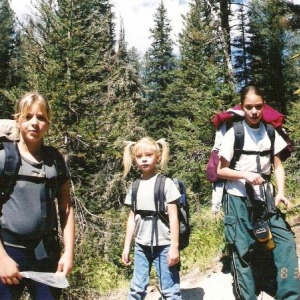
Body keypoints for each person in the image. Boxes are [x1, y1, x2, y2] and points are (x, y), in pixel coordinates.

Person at [217, 85, 300, 300]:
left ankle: (290, 294)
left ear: (264, 106)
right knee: (242, 249)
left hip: (265, 197)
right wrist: (245, 175)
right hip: (237, 198)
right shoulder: (234, 133)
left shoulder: (270, 132)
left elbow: (278, 166)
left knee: (285, 242)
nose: (254, 112)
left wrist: (280, 192)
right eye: (249, 107)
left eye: (258, 107)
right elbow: (221, 170)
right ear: (242, 107)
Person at [0, 92, 75, 299]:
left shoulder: (55, 160)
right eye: (28, 117)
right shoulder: (5, 158)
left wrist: (68, 253)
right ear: (18, 120)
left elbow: (66, 208)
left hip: (46, 253)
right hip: (9, 251)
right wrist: (1, 259)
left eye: (41, 117)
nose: (35, 123)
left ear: (48, 123)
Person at [121, 137, 182, 300]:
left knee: (170, 290)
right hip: (141, 245)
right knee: (136, 288)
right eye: (139, 156)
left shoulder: (166, 184)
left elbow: (174, 218)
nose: (144, 159)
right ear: (134, 159)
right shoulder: (134, 186)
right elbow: (132, 217)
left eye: (148, 155)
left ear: (158, 156)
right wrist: (127, 246)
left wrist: (174, 247)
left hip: (164, 245)